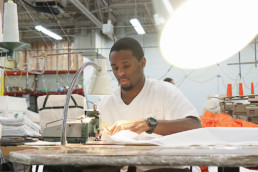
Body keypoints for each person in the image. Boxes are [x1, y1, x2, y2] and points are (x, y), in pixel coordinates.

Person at [98, 37, 202, 172]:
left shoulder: (165, 91)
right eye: (115, 68)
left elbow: (194, 126)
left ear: (142, 63)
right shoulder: (106, 102)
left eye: (126, 66)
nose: (120, 73)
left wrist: (146, 124)